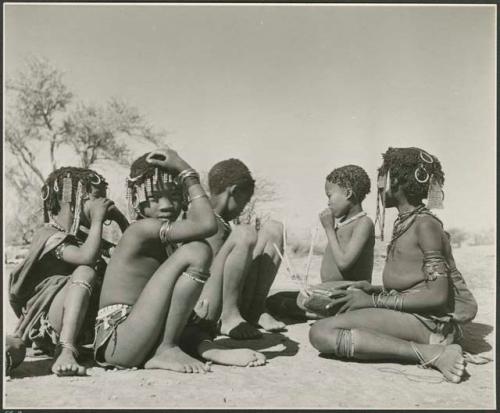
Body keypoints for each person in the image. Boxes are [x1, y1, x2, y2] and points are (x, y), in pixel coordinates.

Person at [309, 147, 478, 383]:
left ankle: (431, 352)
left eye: (382, 177)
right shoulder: (406, 222)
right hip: (413, 315)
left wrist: (372, 301)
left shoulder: (425, 225)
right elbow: (414, 283)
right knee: (333, 310)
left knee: (321, 332)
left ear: (396, 181)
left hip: (428, 322)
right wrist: (374, 290)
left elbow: (438, 296)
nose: (379, 185)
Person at [94, 149, 265, 373]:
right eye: (154, 198)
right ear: (136, 198)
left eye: (175, 196)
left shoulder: (165, 238)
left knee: (199, 318)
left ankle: (207, 351)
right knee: (198, 251)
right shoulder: (141, 230)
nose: (166, 205)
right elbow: (207, 225)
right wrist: (188, 174)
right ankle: (167, 348)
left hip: (143, 334)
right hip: (119, 339)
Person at [8, 167, 128, 376]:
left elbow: (130, 257)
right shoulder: (48, 235)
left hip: (82, 323)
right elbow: (85, 258)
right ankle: (65, 349)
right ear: (70, 202)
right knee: (85, 272)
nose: (104, 204)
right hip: (51, 322)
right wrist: (99, 220)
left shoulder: (85, 237)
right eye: (97, 197)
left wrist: (121, 220)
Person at [194, 158, 286, 340]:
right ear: (233, 192)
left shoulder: (222, 222)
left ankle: (256, 310)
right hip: (204, 304)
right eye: (243, 203)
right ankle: (229, 316)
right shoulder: (200, 217)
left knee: (274, 229)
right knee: (244, 233)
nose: (242, 210)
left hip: (227, 294)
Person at [267, 165, 375, 320]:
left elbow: (345, 263)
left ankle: (322, 313)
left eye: (329, 196)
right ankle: (318, 311)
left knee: (282, 303)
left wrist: (329, 229)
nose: (328, 203)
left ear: (348, 193)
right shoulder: (344, 224)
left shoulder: (364, 223)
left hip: (347, 294)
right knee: (275, 298)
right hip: (330, 291)